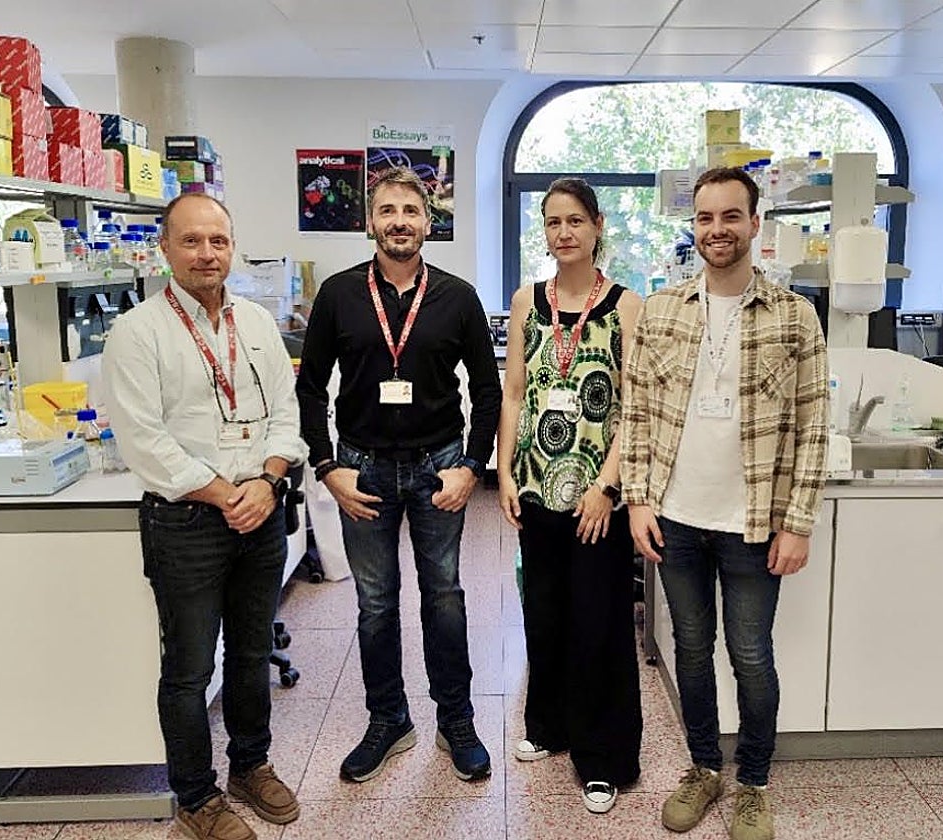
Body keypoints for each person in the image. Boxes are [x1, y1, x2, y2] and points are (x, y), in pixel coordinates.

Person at [620, 167, 829, 840]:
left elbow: (813, 425)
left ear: (754, 223)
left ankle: (754, 783)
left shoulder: (795, 316)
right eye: (705, 218)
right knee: (688, 650)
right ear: (694, 226)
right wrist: (637, 502)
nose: (717, 230)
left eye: (730, 217)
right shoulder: (662, 309)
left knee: (751, 656)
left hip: (752, 525)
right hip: (676, 519)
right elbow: (640, 411)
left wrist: (796, 524)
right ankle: (705, 768)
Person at [103, 193, 307, 840]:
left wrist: (269, 483)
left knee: (250, 653)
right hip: (187, 523)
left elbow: (287, 414)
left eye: (218, 241)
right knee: (190, 669)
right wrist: (226, 493)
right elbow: (144, 440)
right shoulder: (138, 333)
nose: (206, 254)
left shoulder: (256, 323)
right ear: (165, 249)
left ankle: (250, 764)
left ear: (232, 245)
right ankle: (196, 797)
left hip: (262, 511)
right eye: (191, 241)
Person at [296, 166, 502, 784]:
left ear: (428, 221)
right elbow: (309, 389)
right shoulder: (337, 295)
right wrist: (326, 466)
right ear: (369, 222)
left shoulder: (457, 297)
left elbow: (487, 391)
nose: (399, 222)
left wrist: (472, 465)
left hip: (440, 467)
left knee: (445, 598)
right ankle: (388, 719)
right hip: (360, 471)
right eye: (387, 211)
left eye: (410, 211)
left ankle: (455, 720)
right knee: (375, 604)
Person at [497, 178, 645, 814]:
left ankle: (603, 755)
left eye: (575, 221)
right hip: (535, 490)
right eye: (553, 222)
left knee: (599, 622)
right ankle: (549, 725)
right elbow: (512, 394)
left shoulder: (626, 305)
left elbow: (635, 408)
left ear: (597, 226)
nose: (563, 233)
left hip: (595, 498)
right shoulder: (527, 301)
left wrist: (607, 487)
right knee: (545, 613)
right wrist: (504, 473)